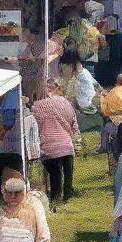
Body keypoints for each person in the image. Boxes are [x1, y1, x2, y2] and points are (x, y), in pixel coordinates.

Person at [30, 79, 80, 207]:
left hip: (48, 145)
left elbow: (33, 125)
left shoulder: (36, 107)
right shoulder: (65, 103)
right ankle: (68, 194)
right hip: (66, 144)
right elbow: (73, 122)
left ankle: (55, 198)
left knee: (55, 175)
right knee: (68, 173)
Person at [0, 176, 52, 242]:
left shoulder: (32, 207)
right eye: (10, 193)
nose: (13, 196)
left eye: (17, 193)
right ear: (4, 192)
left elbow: (43, 238)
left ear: (23, 192)